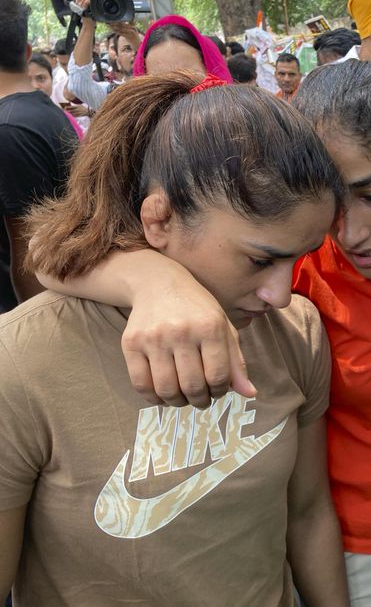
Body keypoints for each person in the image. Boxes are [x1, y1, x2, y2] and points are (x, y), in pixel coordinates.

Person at [36, 60, 371, 606]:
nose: (352, 233)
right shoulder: (296, 262)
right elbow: (52, 259)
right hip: (339, 547)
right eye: (333, 205)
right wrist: (154, 282)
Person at [0, 70, 349, 605]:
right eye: (260, 259)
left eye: (299, 257)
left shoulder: (295, 332)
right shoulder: (23, 359)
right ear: (159, 219)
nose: (281, 293)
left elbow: (307, 512)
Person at [0, 0, 77, 312]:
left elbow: (29, 253)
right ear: (27, 51)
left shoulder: (8, 130)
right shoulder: (41, 110)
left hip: (34, 315)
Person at [66, 0, 139, 111]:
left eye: (140, 49)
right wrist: (87, 25)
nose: (135, 53)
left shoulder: (164, 91)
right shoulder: (113, 97)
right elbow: (78, 84)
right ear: (117, 60)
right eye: (127, 49)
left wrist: (136, 41)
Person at [133, 15, 232, 83]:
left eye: (189, 76)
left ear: (208, 70)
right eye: (161, 82)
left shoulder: (236, 111)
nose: (177, 90)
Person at [27, 54, 84, 139]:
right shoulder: (11, 121)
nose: (35, 86)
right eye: (27, 80)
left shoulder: (64, 117)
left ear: (51, 79)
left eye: (41, 78)